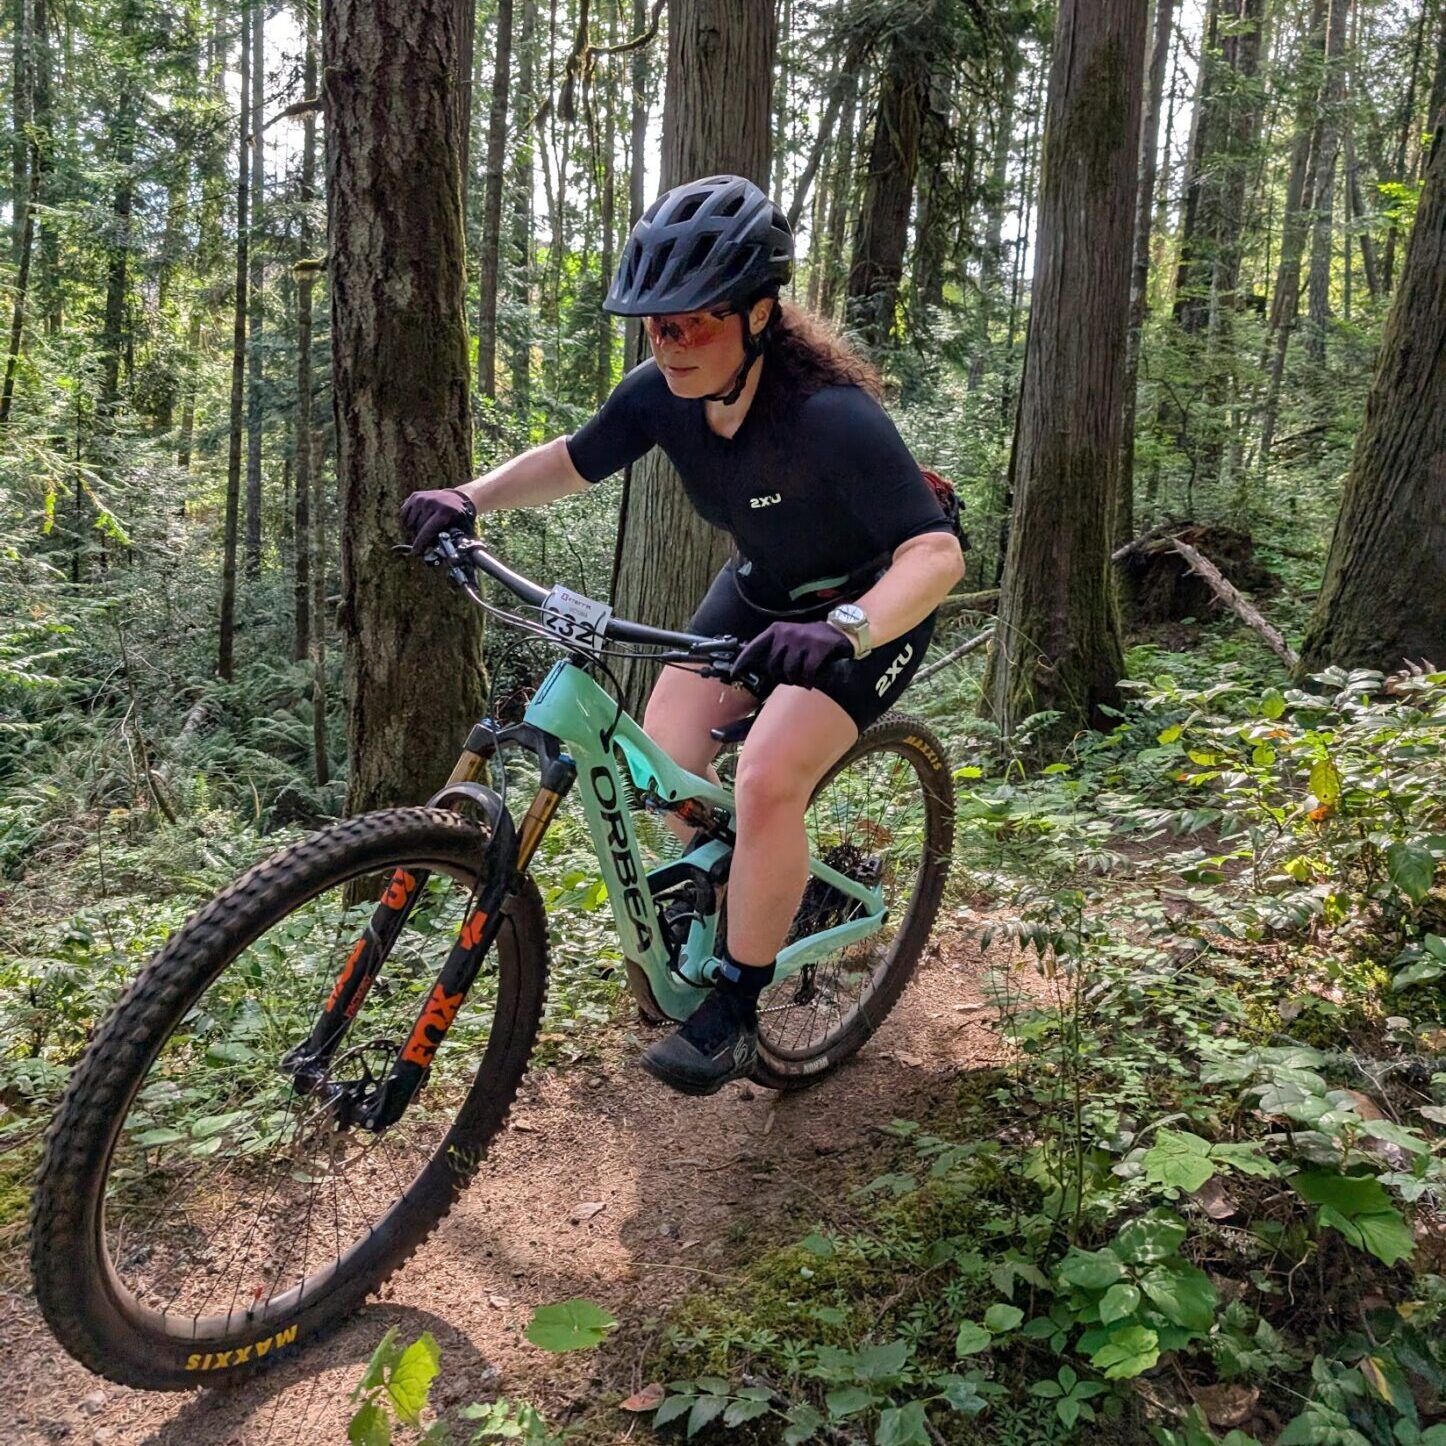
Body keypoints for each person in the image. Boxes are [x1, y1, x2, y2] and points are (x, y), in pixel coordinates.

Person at [401, 174, 964, 1097]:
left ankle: (737, 1008)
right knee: (665, 771)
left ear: (760, 314)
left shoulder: (830, 416)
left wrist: (847, 629)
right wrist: (469, 497)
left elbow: (936, 556)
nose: (670, 343)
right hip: (762, 588)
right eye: (655, 325)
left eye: (694, 321)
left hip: (868, 605)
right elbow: (573, 460)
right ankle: (774, 880)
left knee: (772, 776)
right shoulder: (659, 396)